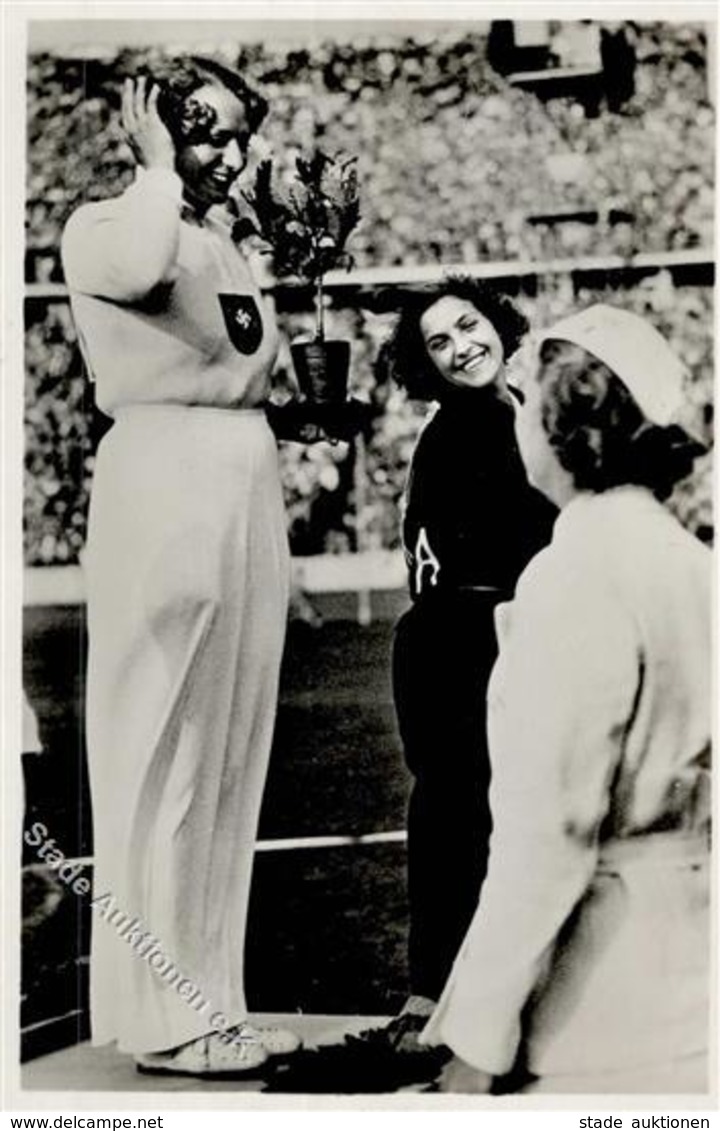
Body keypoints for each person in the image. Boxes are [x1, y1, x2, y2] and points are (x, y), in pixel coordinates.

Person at [61, 58, 301, 1077]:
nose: (229, 155)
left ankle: (213, 1001)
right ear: (156, 131)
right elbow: (137, 276)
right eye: (207, 134)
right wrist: (159, 167)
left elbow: (246, 364)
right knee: (165, 751)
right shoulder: (111, 222)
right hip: (162, 481)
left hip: (240, 479)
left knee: (229, 756)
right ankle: (160, 1013)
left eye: (238, 135)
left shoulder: (221, 242)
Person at [422, 304, 712, 1095]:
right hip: (691, 990)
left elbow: (551, 829)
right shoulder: (692, 565)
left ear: (561, 426)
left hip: (596, 1009)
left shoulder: (574, 573)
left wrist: (476, 1037)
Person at [366, 277, 557, 1055]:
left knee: (485, 816)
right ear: (427, 366)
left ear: (498, 323)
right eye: (438, 344)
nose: (460, 347)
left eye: (468, 326)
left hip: (478, 631)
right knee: (458, 817)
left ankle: (465, 993)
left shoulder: (508, 412)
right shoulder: (470, 427)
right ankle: (434, 993)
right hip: (462, 639)